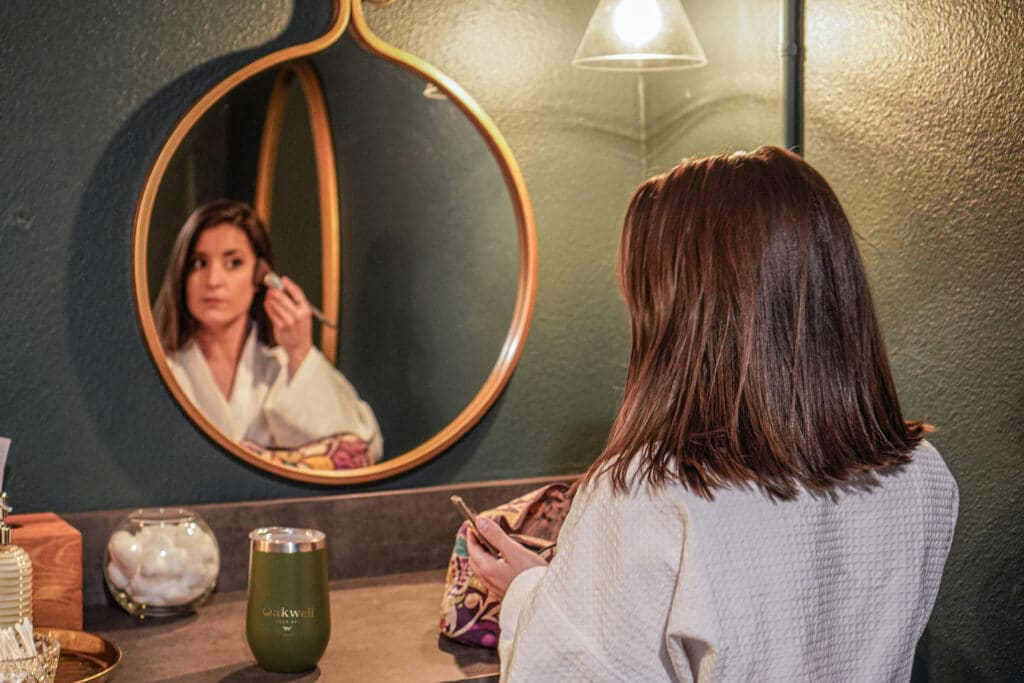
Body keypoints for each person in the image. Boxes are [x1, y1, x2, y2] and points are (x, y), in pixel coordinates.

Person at [466, 147, 958, 681]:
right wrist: (564, 589)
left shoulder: (648, 491)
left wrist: (527, 597)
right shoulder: (922, 476)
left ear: (679, 312)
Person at [153, 199, 382, 459]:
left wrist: (300, 352)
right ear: (180, 274)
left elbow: (361, 448)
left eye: (233, 263)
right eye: (198, 263)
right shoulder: (161, 368)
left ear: (260, 277)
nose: (213, 281)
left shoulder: (282, 367)